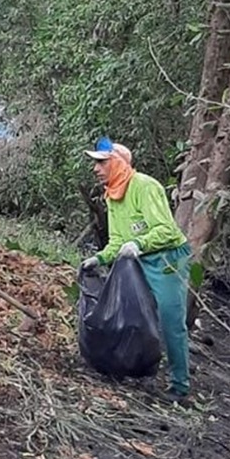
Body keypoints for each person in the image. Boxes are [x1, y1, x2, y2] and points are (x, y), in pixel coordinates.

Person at [81, 137, 192, 402]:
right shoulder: (112, 194)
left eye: (101, 163)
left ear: (117, 163)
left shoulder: (144, 186)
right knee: (131, 314)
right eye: (95, 163)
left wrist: (138, 243)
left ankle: (180, 386)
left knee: (170, 321)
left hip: (167, 259)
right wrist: (100, 258)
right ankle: (132, 365)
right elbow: (118, 239)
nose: (96, 169)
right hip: (137, 258)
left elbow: (166, 230)